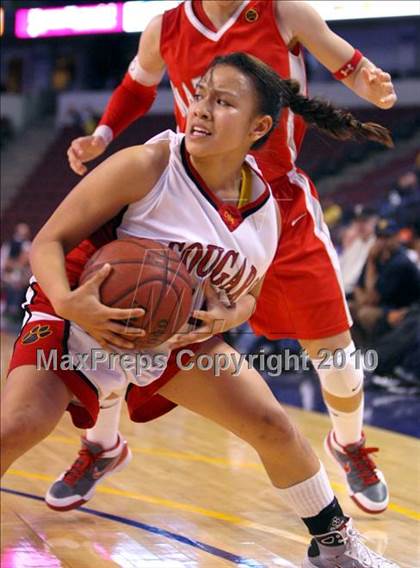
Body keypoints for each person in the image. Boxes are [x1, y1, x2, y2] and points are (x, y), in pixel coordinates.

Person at [1, 54, 399, 567]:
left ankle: (336, 546)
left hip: (163, 334)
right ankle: (100, 443)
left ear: (259, 127)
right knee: (19, 426)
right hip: (73, 306)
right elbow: (48, 242)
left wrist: (227, 319)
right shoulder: (148, 163)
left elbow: (248, 294)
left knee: (270, 423)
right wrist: (74, 301)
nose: (202, 110)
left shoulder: (263, 210)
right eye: (201, 94)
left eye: (223, 101)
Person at [64, 0, 397, 514]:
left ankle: (348, 443)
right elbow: (137, 85)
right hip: (191, 199)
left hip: (279, 202)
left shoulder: (283, 11)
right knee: (126, 318)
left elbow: (342, 60)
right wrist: (102, 135)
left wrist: (369, 83)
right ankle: (102, 445)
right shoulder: (165, 28)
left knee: (337, 357)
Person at [351, 218, 420, 343]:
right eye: (380, 238)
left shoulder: (400, 262)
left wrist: (371, 262)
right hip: (383, 306)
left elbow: (372, 299)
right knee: (348, 308)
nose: (383, 242)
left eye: (387, 237)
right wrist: (363, 300)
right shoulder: (377, 256)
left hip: (404, 310)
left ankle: (374, 351)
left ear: (397, 237)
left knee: (365, 314)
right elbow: (358, 286)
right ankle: (359, 351)